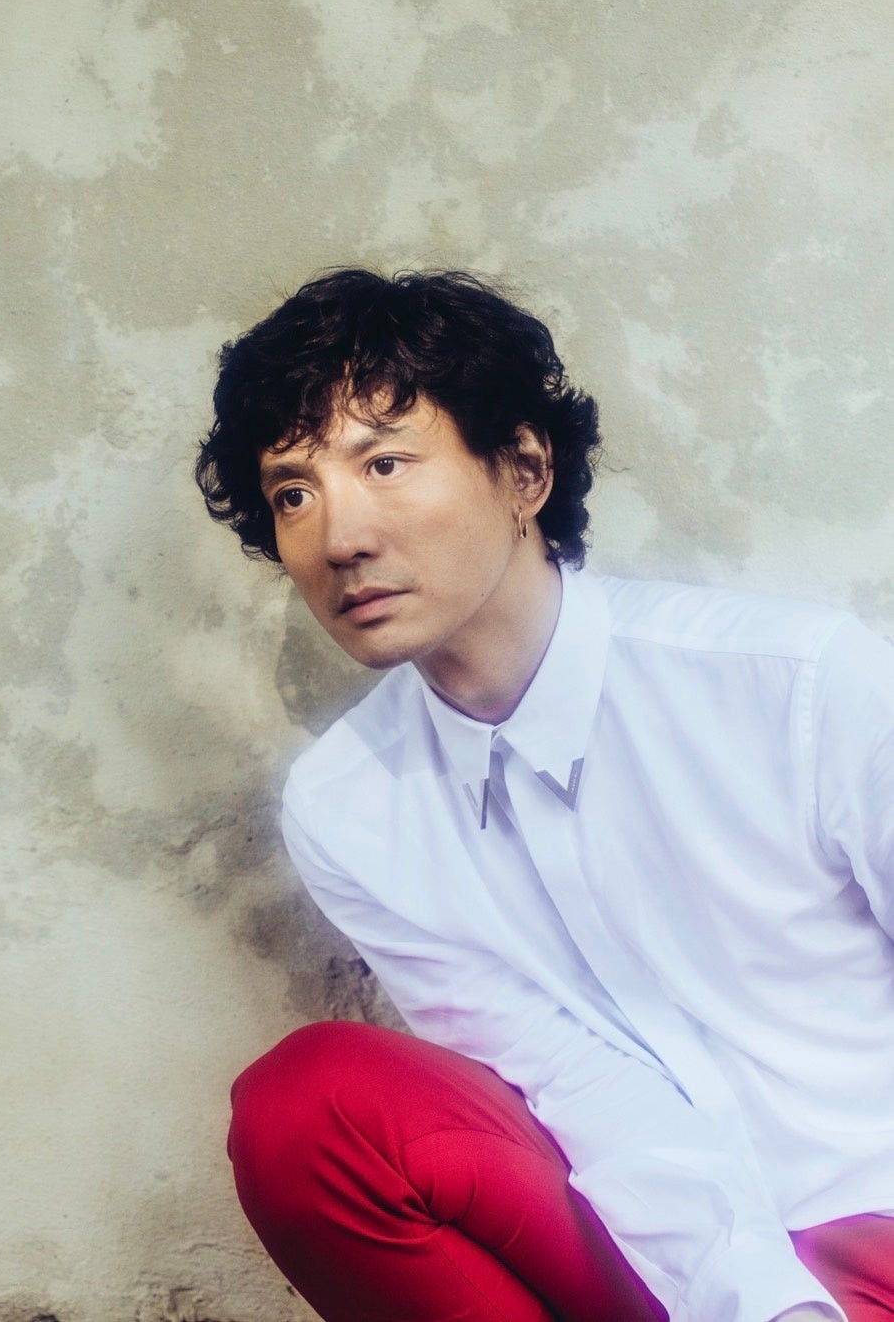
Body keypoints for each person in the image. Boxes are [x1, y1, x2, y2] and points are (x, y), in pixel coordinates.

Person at [195, 267, 894, 1322]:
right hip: (657, 1253)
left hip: (873, 1215)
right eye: (294, 491)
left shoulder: (792, 684)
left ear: (523, 469)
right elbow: (570, 1078)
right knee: (308, 1106)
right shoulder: (346, 805)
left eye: (384, 463)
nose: (340, 538)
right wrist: (765, 1302)